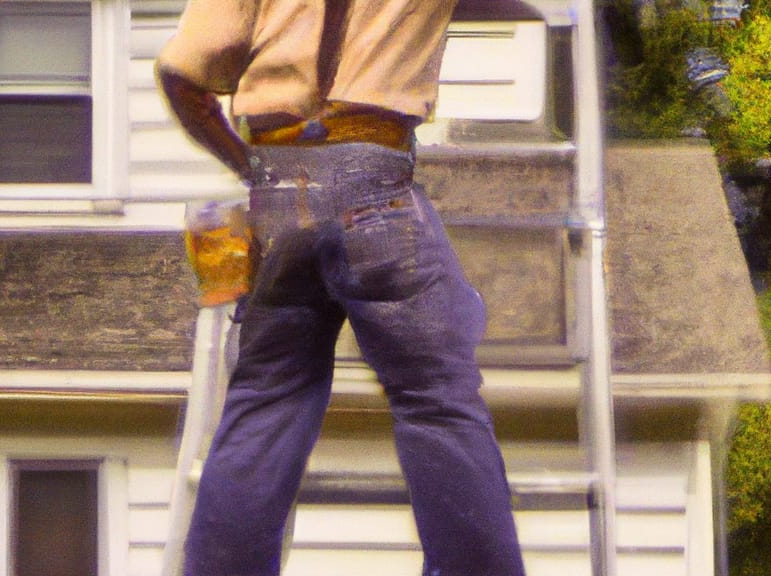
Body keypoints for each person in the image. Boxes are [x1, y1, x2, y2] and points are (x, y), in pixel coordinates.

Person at [156, 1, 527, 574]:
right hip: (374, 179)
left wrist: (248, 167)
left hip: (276, 186)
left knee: (266, 395)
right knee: (436, 399)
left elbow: (181, 77)